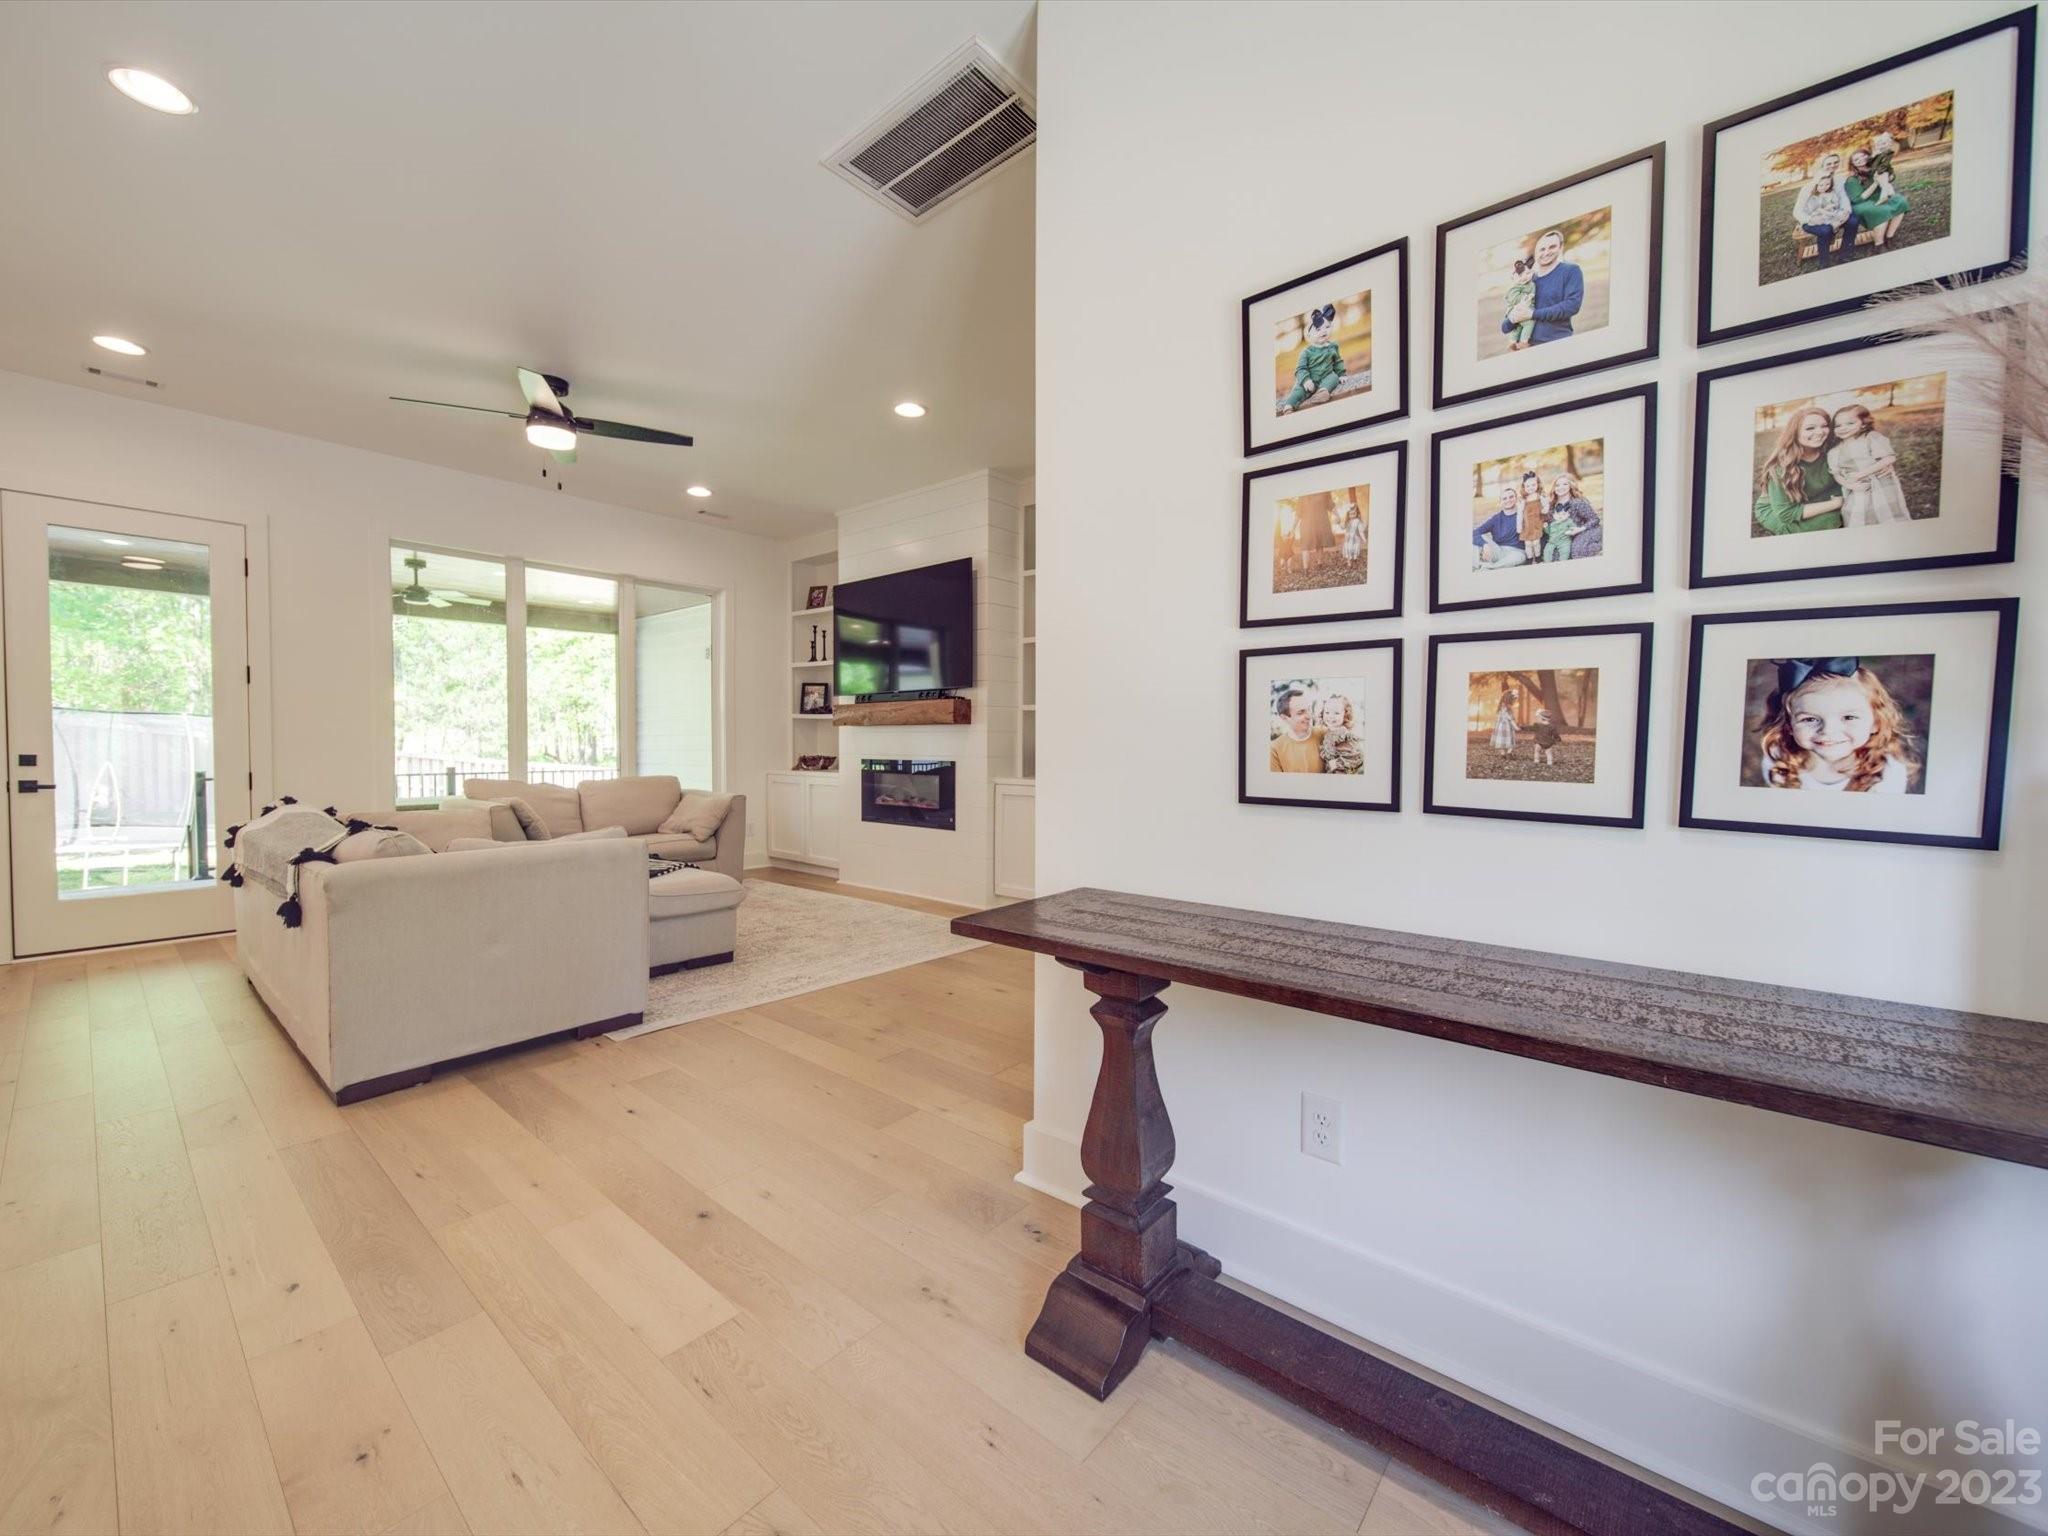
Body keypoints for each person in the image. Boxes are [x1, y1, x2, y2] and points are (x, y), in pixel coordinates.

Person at [1757, 657, 1917, 792]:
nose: (1828, 731)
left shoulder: (1887, 775)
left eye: (1849, 717)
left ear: (1876, 722)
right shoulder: (1778, 762)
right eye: (1810, 719)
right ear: (1789, 726)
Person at [1754, 407, 1845, 534]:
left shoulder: (1831, 451)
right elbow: (1786, 514)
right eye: (1810, 428)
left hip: (1815, 497)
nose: (1820, 432)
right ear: (1794, 433)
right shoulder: (1781, 467)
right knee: (1829, 519)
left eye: (1824, 426)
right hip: (1780, 510)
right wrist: (1836, 504)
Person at [1826, 403, 1910, 526]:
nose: (1843, 428)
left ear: (1864, 423)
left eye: (1850, 423)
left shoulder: (1870, 438)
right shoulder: (1835, 451)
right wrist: (1849, 484)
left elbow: (1889, 458)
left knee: (1888, 513)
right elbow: (1836, 474)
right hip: (1857, 489)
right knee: (1857, 515)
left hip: (1881, 485)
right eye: (1838, 425)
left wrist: (1861, 474)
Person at [1501, 229, 1584, 346]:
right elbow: (1505, 327)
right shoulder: (1527, 280)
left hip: (1557, 343)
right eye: (1542, 249)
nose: (1546, 252)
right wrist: (1512, 319)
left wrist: (1533, 314)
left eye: (1552, 247)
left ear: (1561, 247)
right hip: (1525, 348)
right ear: (1536, 252)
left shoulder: (1571, 271)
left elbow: (1572, 306)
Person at [1844, 147, 1909, 254]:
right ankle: (1878, 244)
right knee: (1879, 211)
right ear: (1853, 164)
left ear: (1869, 156)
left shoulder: (1875, 167)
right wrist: (1875, 183)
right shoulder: (1852, 179)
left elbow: (1891, 176)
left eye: (1863, 156)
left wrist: (1888, 176)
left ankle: (1889, 236)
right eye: (1856, 159)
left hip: (1878, 197)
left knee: (1901, 201)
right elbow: (1858, 199)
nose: (1861, 159)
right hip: (1862, 203)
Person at [1795, 172, 1853, 267]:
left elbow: (1836, 204)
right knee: (1826, 230)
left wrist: (1833, 207)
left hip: (1829, 216)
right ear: (1816, 184)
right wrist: (1822, 211)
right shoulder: (1811, 196)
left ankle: (1844, 253)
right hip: (1813, 218)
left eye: (1827, 184)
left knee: (1846, 219)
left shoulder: (1831, 193)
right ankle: (1824, 261)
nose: (1824, 187)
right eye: (1821, 185)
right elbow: (1810, 211)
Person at [1473, 486, 1531, 569]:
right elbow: (1475, 532)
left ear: (1516, 499)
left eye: (1511, 497)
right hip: (1498, 550)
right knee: (1478, 539)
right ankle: (1477, 566)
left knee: (1520, 557)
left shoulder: (1524, 514)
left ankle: (1490, 567)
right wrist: (1484, 544)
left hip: (1517, 552)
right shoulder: (1496, 519)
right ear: (1500, 502)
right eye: (1504, 498)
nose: (1508, 500)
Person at [1269, 687, 1324, 772]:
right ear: (1285, 718)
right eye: (1301, 712)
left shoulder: (1325, 735)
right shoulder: (1275, 749)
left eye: (1309, 709)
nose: (1309, 716)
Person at [1550, 471, 1603, 560]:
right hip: (1566, 536)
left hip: (1586, 530)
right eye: (1557, 485)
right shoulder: (1552, 505)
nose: (1560, 487)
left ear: (1571, 486)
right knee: (1555, 556)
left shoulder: (1577, 502)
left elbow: (1595, 519)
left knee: (1576, 552)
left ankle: (1604, 544)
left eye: (1565, 484)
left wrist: (1580, 529)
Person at [1315, 693, 1365, 775]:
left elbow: (1356, 756)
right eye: (1327, 712)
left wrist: (1337, 763)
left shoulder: (1343, 734)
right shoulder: (1330, 732)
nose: (1331, 716)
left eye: (1336, 713)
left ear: (1345, 715)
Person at [1491, 685, 1518, 756]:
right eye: (1514, 700)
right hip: (1507, 726)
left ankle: (1503, 753)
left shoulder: (1501, 707)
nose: (1515, 701)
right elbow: (1510, 718)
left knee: (1501, 740)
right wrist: (1515, 726)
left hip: (1500, 726)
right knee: (1510, 739)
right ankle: (1509, 752)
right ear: (1509, 699)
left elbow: (1500, 717)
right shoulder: (1508, 708)